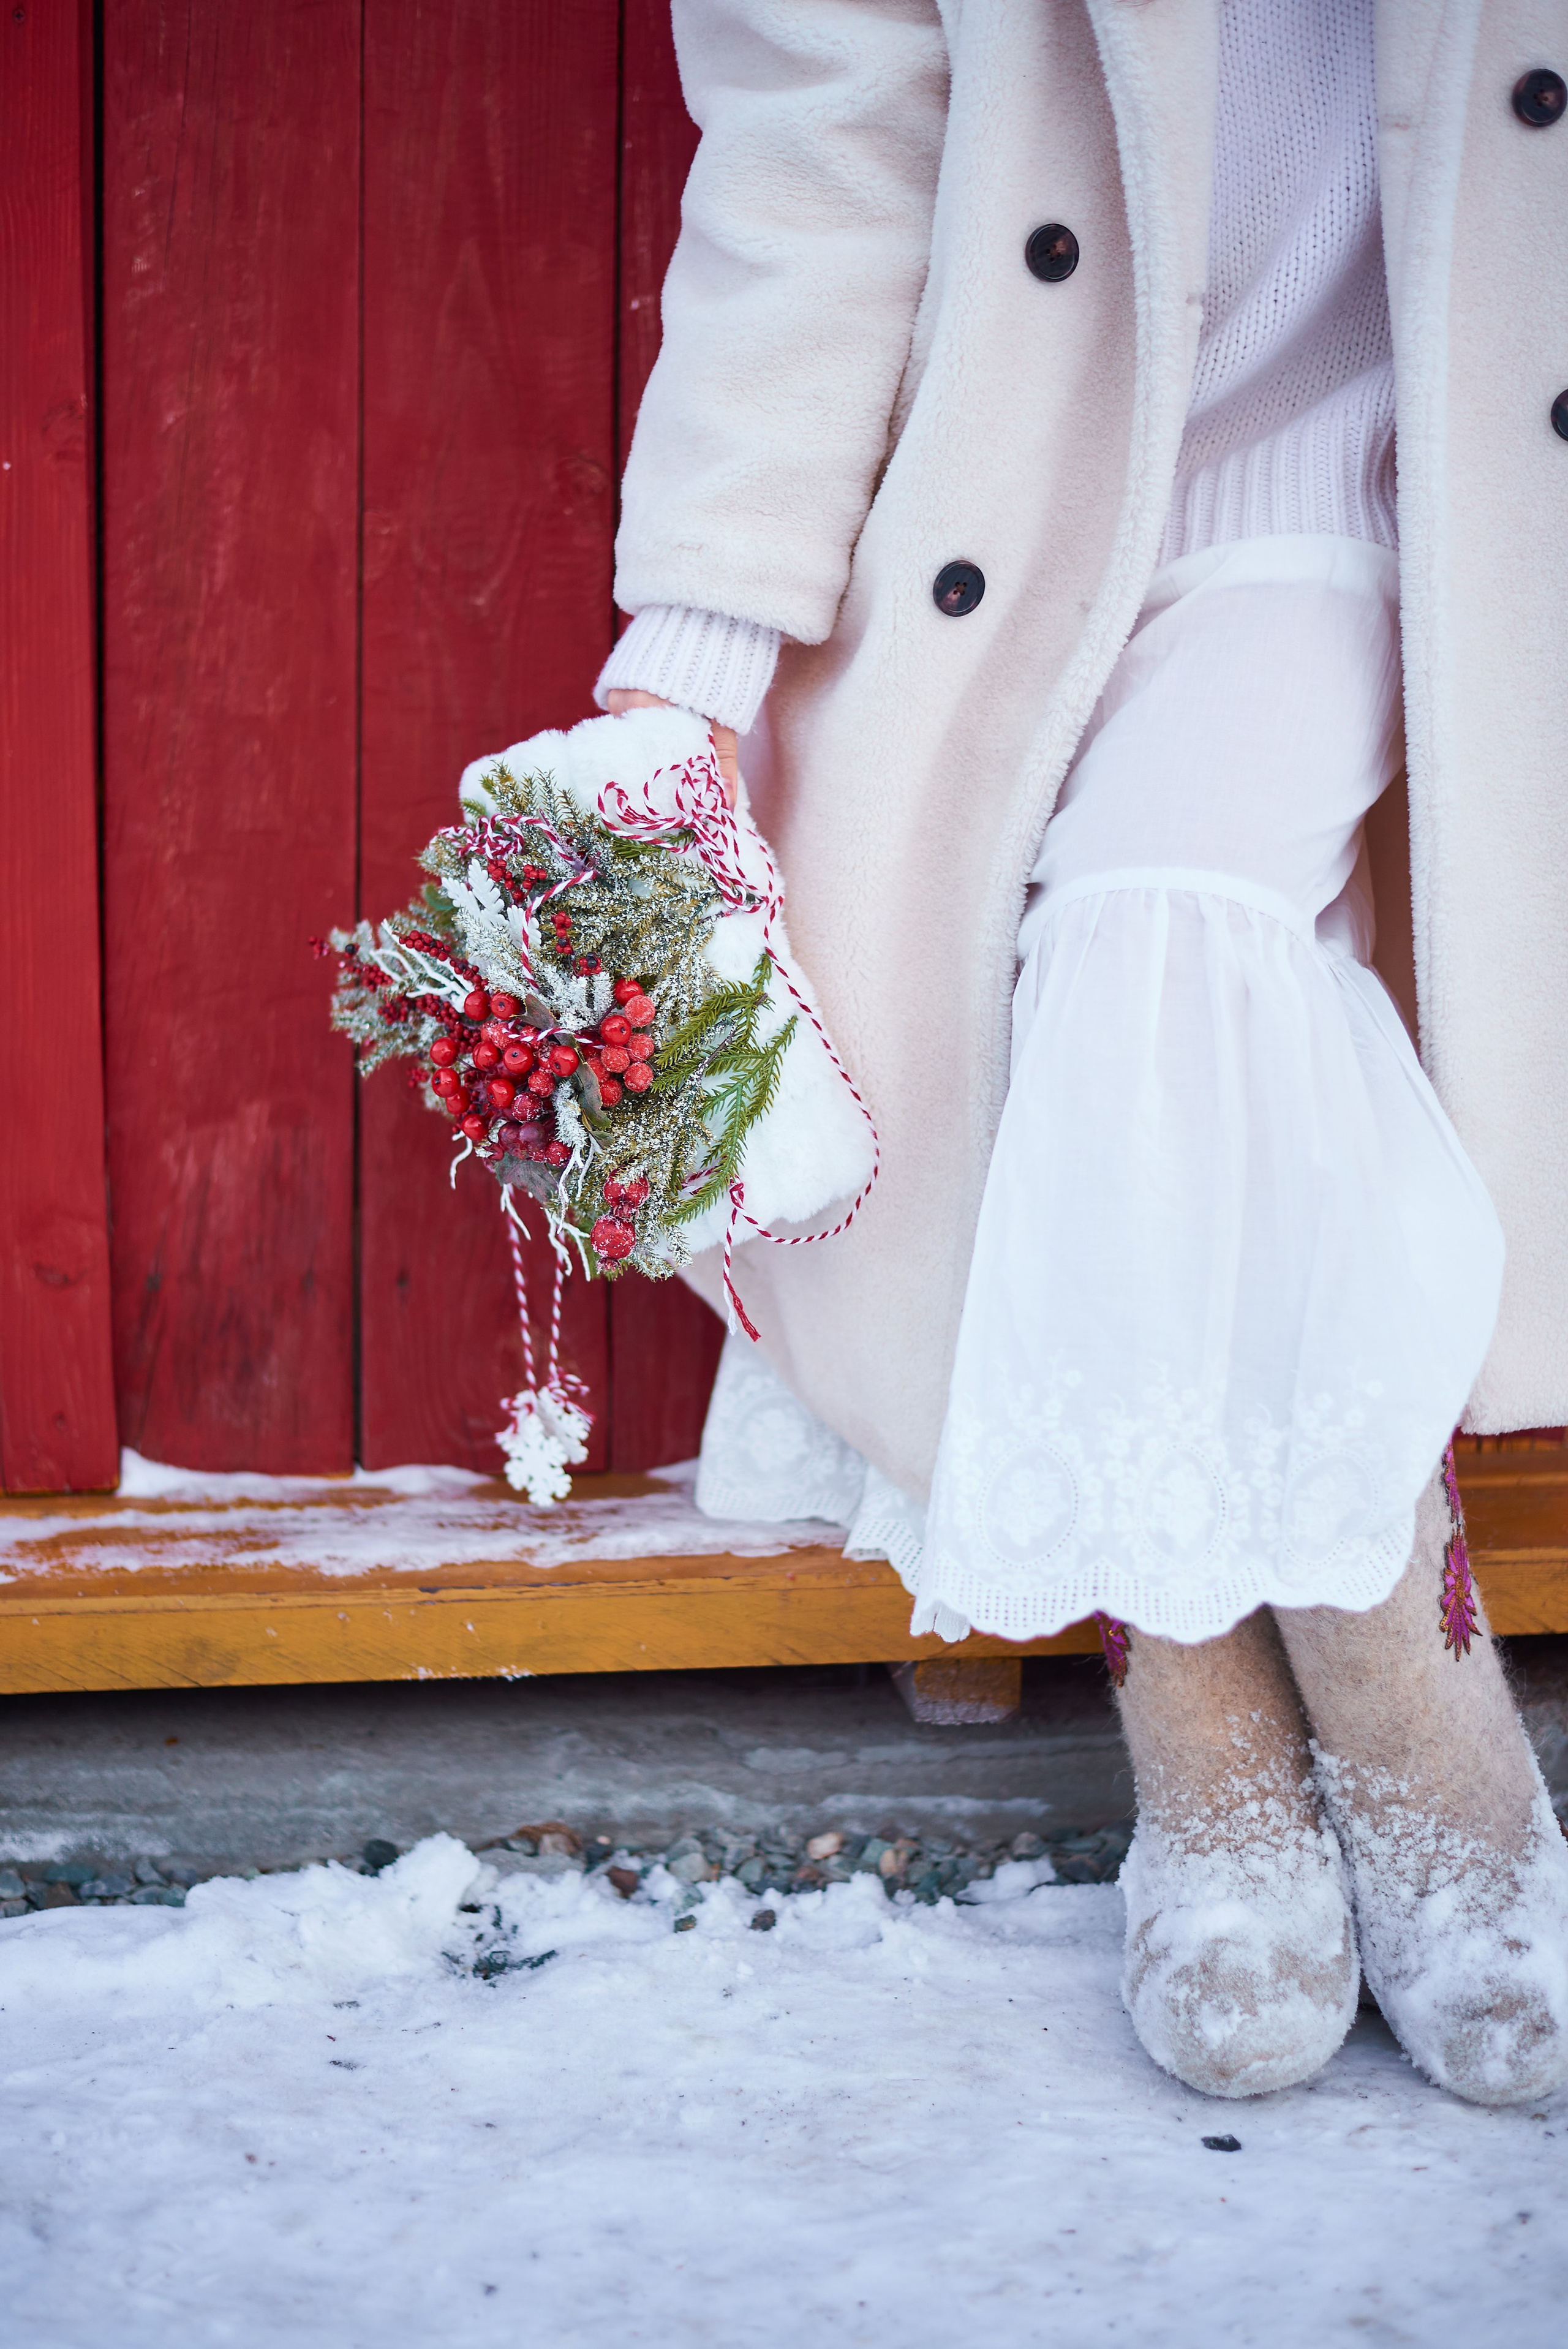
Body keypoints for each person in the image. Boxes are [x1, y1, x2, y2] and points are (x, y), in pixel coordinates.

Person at [597, 0, 1568, 2104]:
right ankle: (1245, 1721)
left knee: (1159, 934)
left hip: (1388, 475)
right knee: (1060, 1027)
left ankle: (1385, 1733)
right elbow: (816, 149)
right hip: (1013, 513)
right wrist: (693, 654)